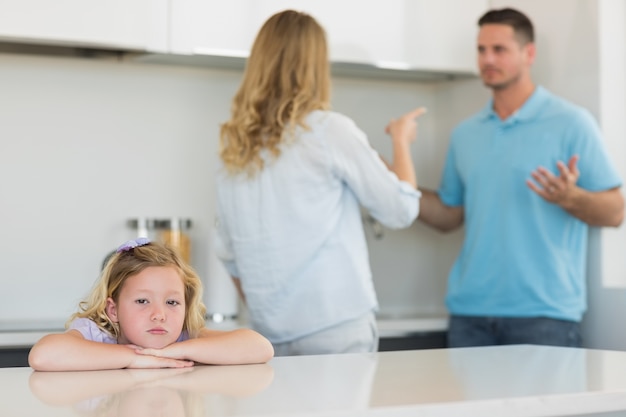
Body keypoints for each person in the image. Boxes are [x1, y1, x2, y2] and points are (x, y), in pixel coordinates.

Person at [214, 9, 424, 356]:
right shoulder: (328, 130)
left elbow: (229, 253)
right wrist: (401, 140)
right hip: (335, 327)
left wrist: (273, 309)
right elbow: (401, 209)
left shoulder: (236, 146)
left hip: (268, 335)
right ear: (315, 64)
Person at [417, 8, 624, 347]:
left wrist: (572, 198)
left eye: (499, 49)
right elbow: (449, 215)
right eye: (481, 49)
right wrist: (395, 187)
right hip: (470, 316)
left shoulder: (571, 122)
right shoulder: (465, 134)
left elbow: (615, 211)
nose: (487, 59)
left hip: (545, 317)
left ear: (529, 53)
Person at [28, 238, 274, 371]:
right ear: (112, 310)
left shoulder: (182, 337)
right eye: (143, 301)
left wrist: (178, 351)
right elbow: (43, 355)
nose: (159, 315)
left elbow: (260, 347)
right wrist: (132, 358)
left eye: (172, 302)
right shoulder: (97, 335)